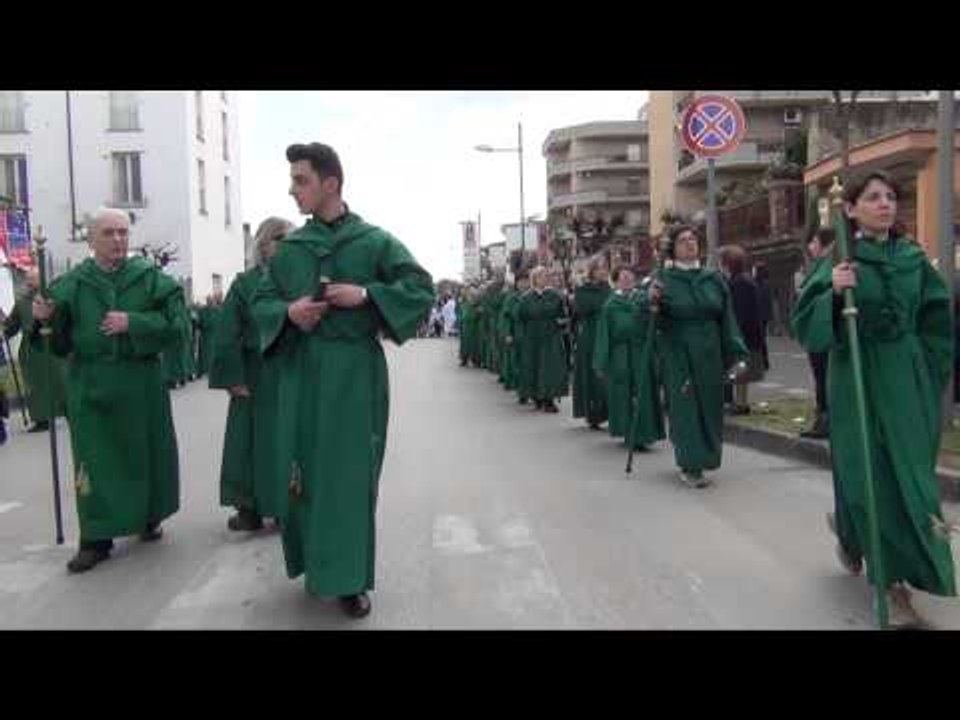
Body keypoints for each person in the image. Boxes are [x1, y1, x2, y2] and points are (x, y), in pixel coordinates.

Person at [252, 142, 434, 618]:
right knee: (304, 474)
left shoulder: (373, 242)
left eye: (301, 180)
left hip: (355, 374)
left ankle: (350, 578)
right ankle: (316, 563)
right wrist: (290, 312)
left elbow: (420, 288)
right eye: (292, 180)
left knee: (351, 477)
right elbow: (261, 303)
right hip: (303, 374)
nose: (292, 190)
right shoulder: (291, 251)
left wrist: (368, 294)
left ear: (330, 183)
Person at [792, 170, 955, 627]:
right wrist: (832, 291)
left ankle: (852, 532)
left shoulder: (911, 258)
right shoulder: (841, 259)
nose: (885, 204)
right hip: (858, 374)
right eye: (873, 197)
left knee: (912, 476)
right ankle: (892, 583)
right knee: (874, 475)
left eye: (890, 197)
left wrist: (927, 364)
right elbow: (806, 323)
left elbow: (937, 316)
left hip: (907, 378)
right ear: (851, 209)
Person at [32, 208, 184, 573]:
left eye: (123, 233)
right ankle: (96, 537)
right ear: (91, 240)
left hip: (140, 382)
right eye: (109, 233)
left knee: (144, 453)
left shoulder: (150, 279)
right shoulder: (72, 284)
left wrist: (134, 322)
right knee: (94, 462)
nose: (118, 240)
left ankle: (148, 516)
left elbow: (177, 326)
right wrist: (43, 320)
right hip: (92, 383)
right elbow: (57, 341)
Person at [210, 217, 295, 532]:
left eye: (290, 239)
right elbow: (226, 333)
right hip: (254, 374)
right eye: (278, 239)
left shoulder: (300, 281)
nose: (284, 246)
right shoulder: (244, 284)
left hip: (289, 371)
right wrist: (233, 377)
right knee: (246, 443)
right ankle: (249, 506)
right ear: (263, 244)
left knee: (287, 440)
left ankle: (288, 504)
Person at [650, 225, 748, 488]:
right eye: (683, 241)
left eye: (693, 239)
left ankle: (705, 457)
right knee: (686, 406)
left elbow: (726, 318)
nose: (690, 244)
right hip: (678, 350)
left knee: (710, 404)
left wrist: (737, 352)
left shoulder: (713, 278)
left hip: (710, 350)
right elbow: (650, 319)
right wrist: (652, 303)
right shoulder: (664, 278)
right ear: (674, 248)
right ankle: (690, 464)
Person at [2, 267, 67, 432]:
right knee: (35, 385)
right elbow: (12, 325)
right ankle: (41, 418)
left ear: (41, 279)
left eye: (33, 279)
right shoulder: (22, 301)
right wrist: (4, 331)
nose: (29, 282)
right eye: (28, 279)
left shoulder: (53, 297)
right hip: (31, 348)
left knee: (58, 382)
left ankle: (66, 411)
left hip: (52, 346)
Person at [593, 265, 640, 441]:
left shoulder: (642, 299)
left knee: (641, 391)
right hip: (619, 354)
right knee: (622, 393)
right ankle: (627, 430)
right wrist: (601, 362)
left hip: (639, 351)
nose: (627, 280)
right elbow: (603, 335)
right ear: (617, 282)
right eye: (623, 278)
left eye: (630, 277)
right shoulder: (610, 306)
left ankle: (642, 432)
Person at [719, 244, 765, 415]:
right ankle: (739, 403)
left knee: (741, 369)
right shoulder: (740, 280)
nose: (720, 266)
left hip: (745, 334)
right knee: (739, 370)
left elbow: (740, 312)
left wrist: (734, 332)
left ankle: (741, 404)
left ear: (728, 263)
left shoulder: (740, 283)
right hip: (748, 333)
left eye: (721, 262)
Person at [799, 228, 834, 439]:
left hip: (825, 334)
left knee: (824, 379)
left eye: (813, 242)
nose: (810, 247)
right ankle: (822, 419)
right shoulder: (819, 266)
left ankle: (825, 421)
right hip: (816, 331)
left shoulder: (829, 266)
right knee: (821, 379)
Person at [517, 266, 568, 413]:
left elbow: (562, 313)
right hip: (532, 337)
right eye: (540, 276)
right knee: (534, 366)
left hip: (551, 336)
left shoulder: (555, 295)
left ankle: (549, 399)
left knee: (550, 368)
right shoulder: (526, 298)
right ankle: (537, 396)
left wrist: (562, 321)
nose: (544, 279)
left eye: (546, 276)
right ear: (534, 279)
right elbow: (520, 317)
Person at [572, 258, 611, 430]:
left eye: (605, 268)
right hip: (590, 334)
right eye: (599, 268)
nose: (603, 271)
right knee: (592, 374)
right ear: (592, 271)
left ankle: (609, 412)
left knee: (607, 374)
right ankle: (593, 413)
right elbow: (583, 308)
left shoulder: (609, 288)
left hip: (608, 334)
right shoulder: (582, 290)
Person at [753, 261, 773, 370]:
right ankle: (765, 362)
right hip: (764, 317)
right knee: (762, 339)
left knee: (758, 340)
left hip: (757, 316)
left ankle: (761, 363)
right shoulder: (766, 284)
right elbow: (768, 302)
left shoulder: (755, 283)